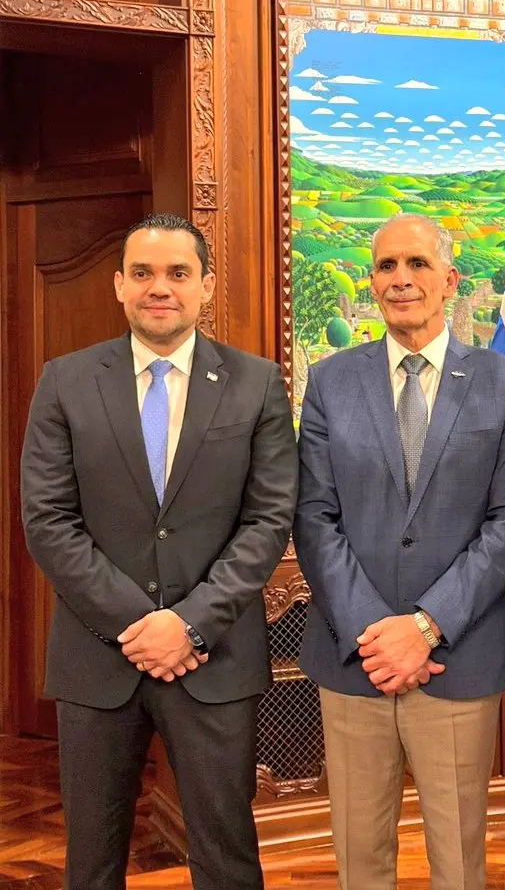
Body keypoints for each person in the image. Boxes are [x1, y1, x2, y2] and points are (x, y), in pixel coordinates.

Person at [21, 213, 298, 890]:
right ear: (119, 285)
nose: (160, 287)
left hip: (215, 657)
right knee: (91, 860)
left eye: (177, 273)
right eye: (142, 273)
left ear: (204, 286)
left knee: (227, 857)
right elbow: (48, 519)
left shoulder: (255, 384)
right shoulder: (65, 380)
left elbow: (267, 519)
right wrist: (140, 625)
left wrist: (188, 623)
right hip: (97, 657)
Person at [294, 214, 505, 890]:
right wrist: (376, 631)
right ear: (372, 283)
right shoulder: (330, 381)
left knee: (458, 861)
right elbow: (313, 515)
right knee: (358, 856)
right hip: (354, 657)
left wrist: (425, 627)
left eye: (417, 264)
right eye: (386, 267)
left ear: (449, 279)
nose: (401, 278)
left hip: (454, 657)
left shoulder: (503, 383)